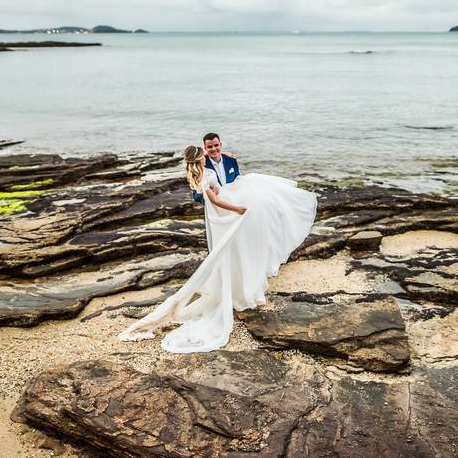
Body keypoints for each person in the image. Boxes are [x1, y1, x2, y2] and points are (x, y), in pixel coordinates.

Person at [118, 145, 317, 353]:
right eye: (204, 155)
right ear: (199, 159)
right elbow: (213, 199)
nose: (207, 157)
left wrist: (225, 162)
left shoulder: (199, 172)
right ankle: (242, 288)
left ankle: (241, 286)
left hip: (220, 211)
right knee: (238, 239)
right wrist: (237, 209)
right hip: (224, 210)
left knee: (252, 207)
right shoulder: (203, 175)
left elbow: (216, 190)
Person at [191, 132, 240, 203]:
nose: (213, 149)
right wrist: (208, 193)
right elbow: (196, 197)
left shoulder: (232, 160)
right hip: (215, 207)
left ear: (220, 145)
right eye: (210, 147)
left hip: (234, 202)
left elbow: (238, 181)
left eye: (216, 145)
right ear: (205, 148)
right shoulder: (201, 165)